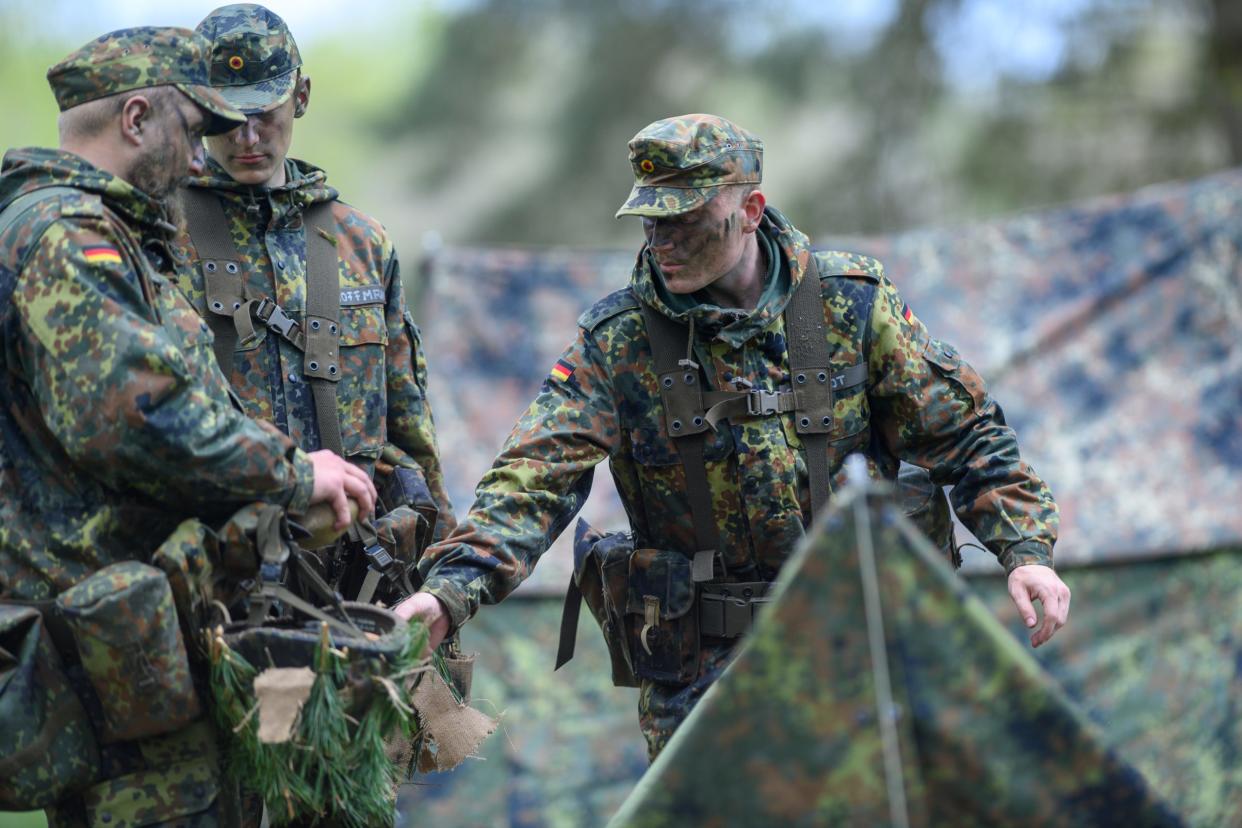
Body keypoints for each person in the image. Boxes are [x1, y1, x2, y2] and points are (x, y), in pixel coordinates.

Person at [396, 113, 1072, 759]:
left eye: (686, 219)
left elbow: (967, 435)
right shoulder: (619, 341)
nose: (663, 242)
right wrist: (450, 589)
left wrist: (1025, 549)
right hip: (702, 680)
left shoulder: (852, 304)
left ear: (749, 211)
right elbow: (532, 479)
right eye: (651, 222)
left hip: (865, 648)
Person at [0, 27, 374, 825]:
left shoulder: (115, 238)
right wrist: (294, 472)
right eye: (193, 128)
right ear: (137, 118)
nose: (206, 157)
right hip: (113, 672)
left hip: (153, 660)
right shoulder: (64, 238)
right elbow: (135, 418)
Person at [171, 4, 455, 601]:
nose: (248, 138)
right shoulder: (161, 240)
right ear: (196, 110)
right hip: (220, 581)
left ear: (300, 96)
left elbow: (408, 426)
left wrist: (440, 572)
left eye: (265, 115)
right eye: (227, 118)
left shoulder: (361, 242)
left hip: (361, 582)